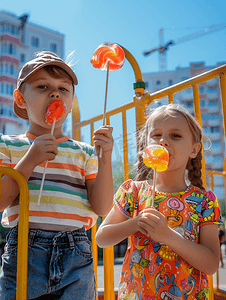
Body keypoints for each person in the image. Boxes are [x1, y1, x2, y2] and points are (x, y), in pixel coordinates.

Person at [0, 51, 114, 300]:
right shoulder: (7, 145)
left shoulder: (84, 152)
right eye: (43, 86)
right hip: (25, 251)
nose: (55, 94)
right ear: (21, 99)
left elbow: (102, 207)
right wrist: (29, 159)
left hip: (77, 253)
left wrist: (105, 159)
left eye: (64, 89)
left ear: (71, 102)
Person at [96, 104, 223, 300]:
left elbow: (211, 263)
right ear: (145, 146)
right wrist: (135, 223)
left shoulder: (204, 201)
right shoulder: (134, 192)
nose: (163, 141)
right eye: (156, 135)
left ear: (194, 149)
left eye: (176, 136)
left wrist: (168, 236)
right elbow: (102, 237)